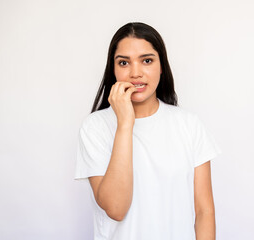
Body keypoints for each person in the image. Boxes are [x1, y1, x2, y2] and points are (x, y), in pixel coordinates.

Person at [74, 22, 222, 240]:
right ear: (113, 69)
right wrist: (125, 124)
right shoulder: (95, 127)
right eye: (124, 62)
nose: (136, 73)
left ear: (161, 66)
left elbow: (204, 211)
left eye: (147, 60)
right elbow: (116, 208)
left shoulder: (189, 124)